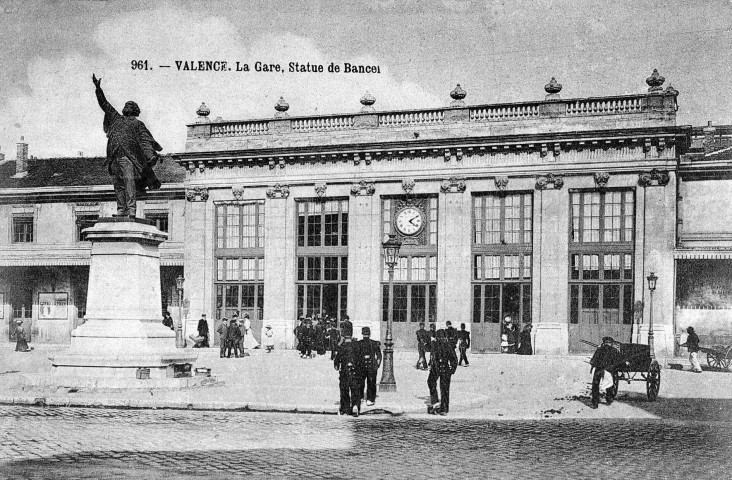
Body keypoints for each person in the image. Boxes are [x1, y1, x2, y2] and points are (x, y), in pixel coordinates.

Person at [91, 73, 162, 217]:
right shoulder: (116, 118)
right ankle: (121, 209)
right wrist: (98, 88)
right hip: (114, 156)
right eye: (126, 105)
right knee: (118, 184)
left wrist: (150, 155)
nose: (127, 107)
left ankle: (131, 210)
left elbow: (145, 140)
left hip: (129, 157)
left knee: (129, 183)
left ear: (135, 110)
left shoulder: (137, 124)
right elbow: (104, 104)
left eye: (130, 106)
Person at [427, 329, 458, 415]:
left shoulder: (448, 346)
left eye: (440, 337)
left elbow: (454, 360)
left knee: (444, 389)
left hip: (444, 368)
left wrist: (451, 370)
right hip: (436, 368)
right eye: (438, 337)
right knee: (431, 382)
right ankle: (436, 403)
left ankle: (444, 408)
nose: (439, 339)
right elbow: (432, 355)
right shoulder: (436, 345)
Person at [333, 321, 361, 416]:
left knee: (344, 390)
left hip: (344, 371)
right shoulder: (356, 345)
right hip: (355, 371)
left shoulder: (342, 346)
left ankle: (345, 408)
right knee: (355, 389)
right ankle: (355, 406)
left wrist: (336, 365)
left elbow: (337, 360)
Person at [589, 336, 624, 409]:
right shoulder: (614, 350)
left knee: (595, 385)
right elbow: (618, 361)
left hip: (599, 369)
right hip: (608, 370)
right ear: (611, 343)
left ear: (604, 343)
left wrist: (592, 364)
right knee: (609, 384)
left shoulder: (599, 350)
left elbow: (593, 360)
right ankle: (609, 399)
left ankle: (595, 403)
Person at [356, 327, 382, 407]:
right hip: (371, 365)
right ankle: (370, 399)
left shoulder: (358, 343)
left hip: (361, 365)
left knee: (360, 382)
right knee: (371, 383)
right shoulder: (374, 343)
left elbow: (356, 356)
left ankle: (360, 398)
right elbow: (379, 356)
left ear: (362, 334)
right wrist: (377, 365)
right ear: (370, 334)